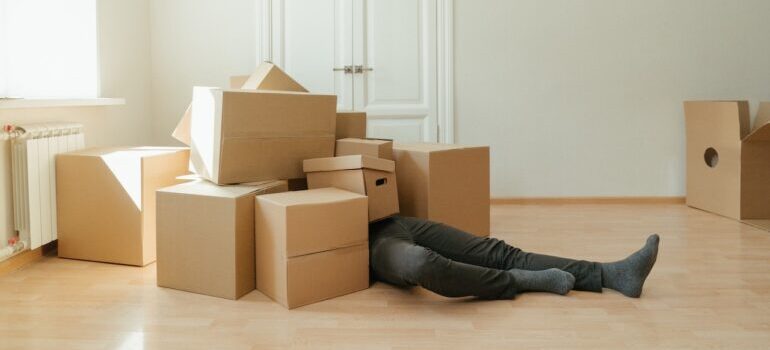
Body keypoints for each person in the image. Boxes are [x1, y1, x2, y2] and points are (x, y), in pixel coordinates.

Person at [369, 216, 659, 299]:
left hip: (389, 220)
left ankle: (612, 274)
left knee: (499, 252)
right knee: (421, 263)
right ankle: (515, 281)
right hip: (365, 242)